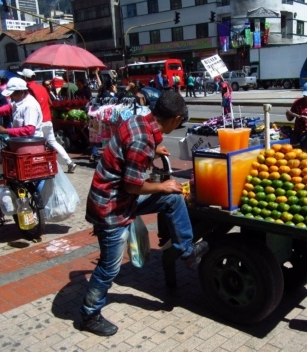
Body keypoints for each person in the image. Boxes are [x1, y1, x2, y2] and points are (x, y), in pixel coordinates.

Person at [79, 91, 209, 336]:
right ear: (176, 118)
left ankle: (187, 252)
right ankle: (89, 315)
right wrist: (162, 184)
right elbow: (132, 185)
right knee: (109, 267)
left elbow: (136, 152)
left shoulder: (140, 122)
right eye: (180, 122)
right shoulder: (142, 138)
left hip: (121, 198)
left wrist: (154, 152)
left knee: (171, 198)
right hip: (111, 207)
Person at [17, 69, 77, 173]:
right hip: (48, 120)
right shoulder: (41, 88)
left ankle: (47, 167)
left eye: (22, 77)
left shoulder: (27, 90)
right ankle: (69, 162)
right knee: (53, 142)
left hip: (37, 122)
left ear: (25, 78)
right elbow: (50, 103)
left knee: (39, 146)